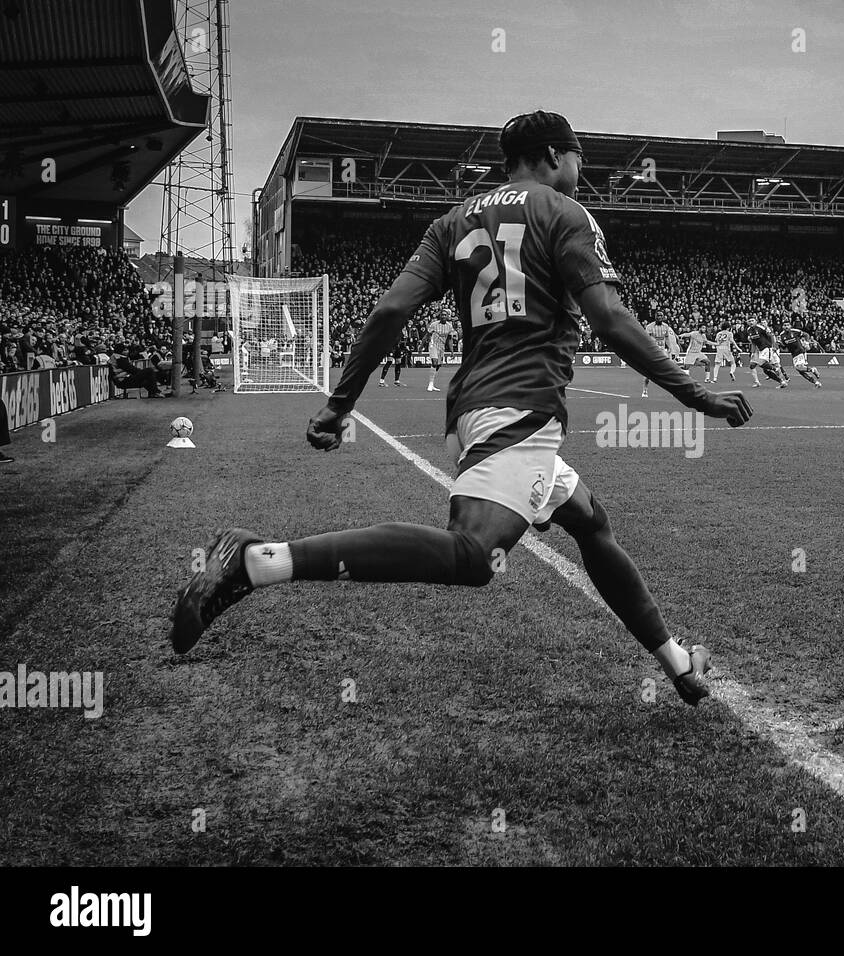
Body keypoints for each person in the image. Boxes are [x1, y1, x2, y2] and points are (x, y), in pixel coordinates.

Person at [169, 110, 753, 707]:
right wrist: (695, 395)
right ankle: (257, 560)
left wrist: (339, 404)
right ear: (553, 154)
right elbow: (609, 317)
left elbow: (390, 311)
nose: (582, 170)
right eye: (579, 157)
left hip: (471, 409)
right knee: (476, 556)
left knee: (589, 521)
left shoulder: (451, 222)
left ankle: (678, 663)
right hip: (520, 411)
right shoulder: (565, 213)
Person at [426, 308, 457, 392]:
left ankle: (432, 383)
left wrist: (452, 352)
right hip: (433, 345)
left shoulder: (449, 326)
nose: (443, 316)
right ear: (440, 316)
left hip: (441, 347)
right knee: (435, 362)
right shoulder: (434, 324)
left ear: (447, 316)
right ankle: (430, 384)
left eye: (445, 315)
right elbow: (427, 334)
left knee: (438, 365)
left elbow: (449, 339)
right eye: (442, 315)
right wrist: (421, 346)